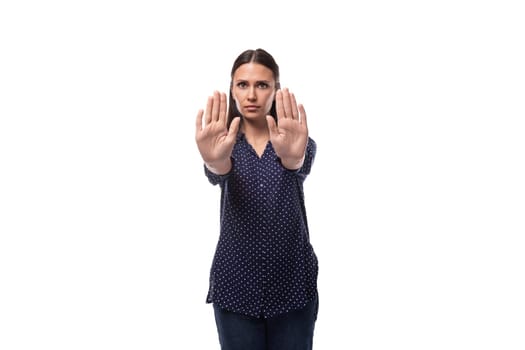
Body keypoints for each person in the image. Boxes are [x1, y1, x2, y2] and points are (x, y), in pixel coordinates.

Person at [195, 48, 319, 350]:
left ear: (275, 90)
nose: (252, 95)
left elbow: (298, 164)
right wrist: (214, 162)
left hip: (292, 284)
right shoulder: (223, 143)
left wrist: (293, 157)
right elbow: (218, 172)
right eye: (243, 85)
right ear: (232, 90)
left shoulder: (294, 139)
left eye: (262, 85)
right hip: (236, 287)